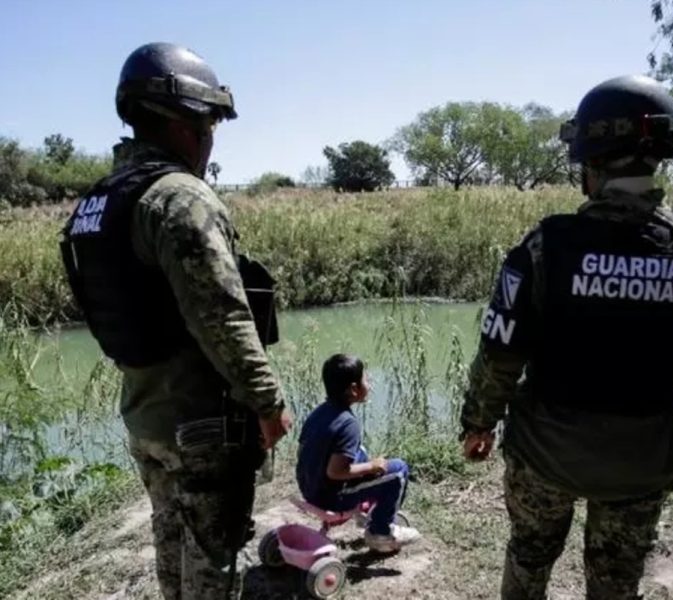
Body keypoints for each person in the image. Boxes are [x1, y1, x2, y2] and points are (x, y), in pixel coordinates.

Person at [459, 75, 673, 600]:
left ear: (589, 166)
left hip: (545, 454)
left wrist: (478, 422)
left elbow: (500, 352)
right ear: (659, 158)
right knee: (616, 582)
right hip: (642, 460)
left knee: (530, 557)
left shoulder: (540, 247)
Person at [60, 42, 292, 600]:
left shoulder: (98, 202)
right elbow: (221, 315)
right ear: (187, 123)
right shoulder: (179, 198)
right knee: (214, 558)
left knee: (171, 543)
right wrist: (268, 401)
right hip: (202, 425)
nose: (212, 138)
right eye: (211, 122)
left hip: (147, 417)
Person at [296, 353, 421, 553]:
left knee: (359, 452)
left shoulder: (318, 412)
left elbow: (304, 450)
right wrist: (372, 467)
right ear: (354, 389)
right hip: (330, 497)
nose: (369, 382)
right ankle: (380, 532)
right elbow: (335, 472)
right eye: (365, 378)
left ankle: (366, 510)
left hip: (309, 488)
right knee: (398, 470)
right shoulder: (348, 424)